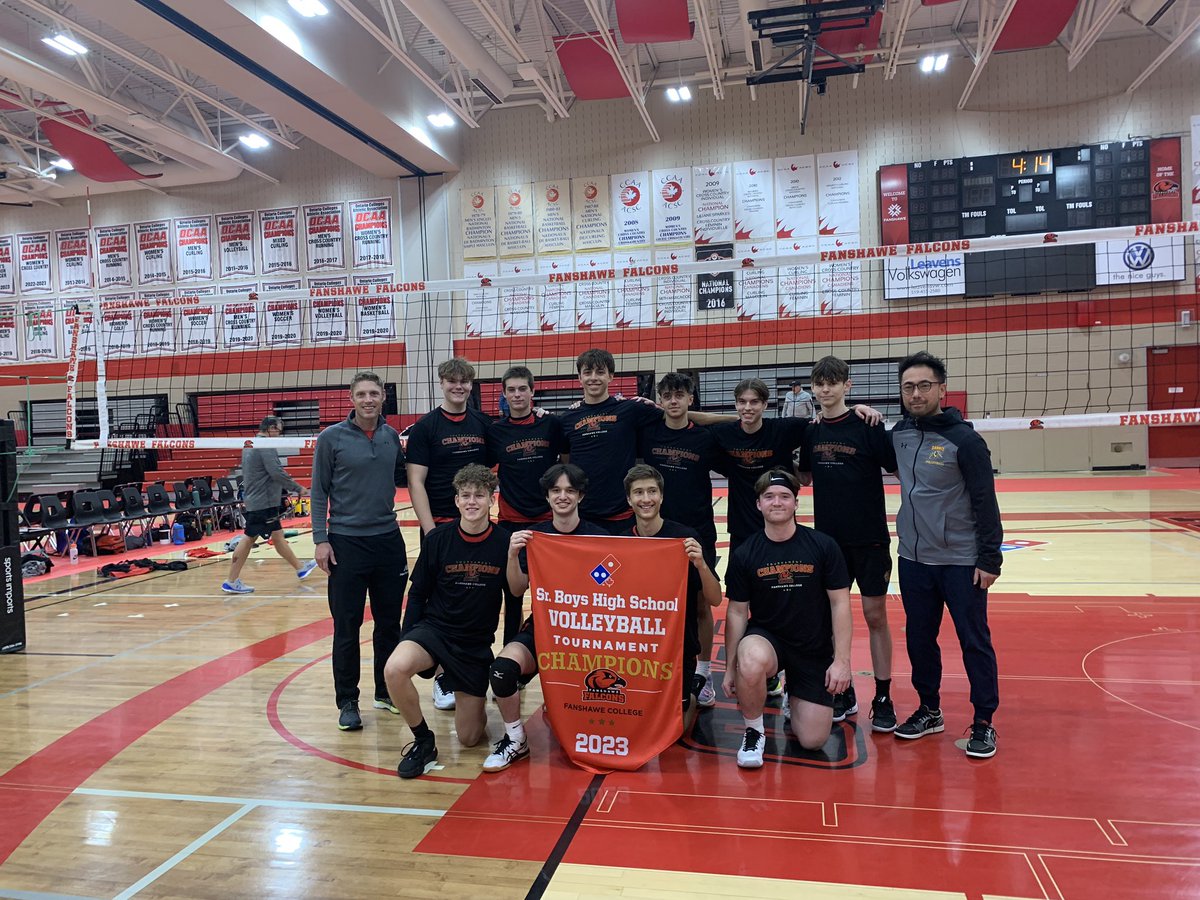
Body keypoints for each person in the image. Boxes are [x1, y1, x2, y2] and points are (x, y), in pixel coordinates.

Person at [891, 351, 1003, 759]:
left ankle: (984, 722)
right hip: (914, 559)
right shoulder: (900, 434)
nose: (915, 393)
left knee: (974, 640)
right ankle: (929, 710)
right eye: (908, 387)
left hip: (960, 560)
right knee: (919, 638)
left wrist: (990, 559)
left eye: (923, 386)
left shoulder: (966, 441)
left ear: (941, 388)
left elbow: (986, 503)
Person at [384, 465, 511, 779]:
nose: (472, 501)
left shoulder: (504, 542)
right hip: (435, 630)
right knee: (395, 668)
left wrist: (507, 656)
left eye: (479, 495)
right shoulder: (438, 539)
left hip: (474, 644)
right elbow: (417, 594)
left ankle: (460, 684)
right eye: (465, 495)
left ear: (491, 499)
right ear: (456, 501)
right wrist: (407, 637)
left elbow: (516, 600)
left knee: (469, 739)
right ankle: (423, 740)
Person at [481, 463, 608, 773]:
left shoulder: (601, 539)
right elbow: (515, 587)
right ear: (548, 497)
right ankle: (515, 739)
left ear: (580, 496)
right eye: (555, 491)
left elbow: (612, 591)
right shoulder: (535, 538)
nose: (562, 496)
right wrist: (512, 555)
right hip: (544, 630)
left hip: (588, 635)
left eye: (569, 491)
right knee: (501, 671)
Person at [723, 469, 852, 768]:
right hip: (769, 639)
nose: (776, 502)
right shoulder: (745, 553)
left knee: (812, 741)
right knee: (751, 658)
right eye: (769, 497)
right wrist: (731, 667)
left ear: (796, 502)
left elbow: (840, 604)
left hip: (812, 647)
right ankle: (754, 731)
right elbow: (737, 611)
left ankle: (794, 693)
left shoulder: (823, 546)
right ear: (758, 504)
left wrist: (842, 660)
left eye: (784, 496)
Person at [797, 356, 899, 731]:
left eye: (833, 383)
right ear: (813, 388)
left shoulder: (868, 425)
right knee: (831, 617)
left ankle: (884, 694)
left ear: (847, 386)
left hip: (869, 538)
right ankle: (843, 688)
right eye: (819, 384)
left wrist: (877, 418)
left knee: (874, 616)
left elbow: (896, 467)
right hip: (829, 542)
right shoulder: (811, 432)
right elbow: (805, 477)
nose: (825, 390)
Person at [311, 372, 408, 731]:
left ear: (383, 397)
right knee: (347, 626)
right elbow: (318, 491)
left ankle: (385, 692)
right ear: (351, 399)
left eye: (374, 394)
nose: (368, 399)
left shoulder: (390, 437)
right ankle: (347, 701)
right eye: (361, 394)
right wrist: (320, 538)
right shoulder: (330, 438)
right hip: (345, 544)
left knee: (388, 625)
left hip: (387, 541)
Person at [405, 355, 491, 712]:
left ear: (471, 385)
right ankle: (442, 675)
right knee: (439, 603)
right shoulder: (426, 427)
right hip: (441, 525)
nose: (459, 386)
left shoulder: (483, 423)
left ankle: (468, 666)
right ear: (441, 383)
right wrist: (429, 532)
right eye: (452, 380)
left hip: (474, 524)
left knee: (472, 598)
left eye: (465, 381)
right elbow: (415, 481)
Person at [638, 372, 722, 706]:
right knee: (654, 603)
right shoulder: (648, 433)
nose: (674, 401)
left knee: (701, 603)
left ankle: (704, 673)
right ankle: (660, 667)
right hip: (657, 532)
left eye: (680, 395)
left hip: (698, 530)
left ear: (690, 399)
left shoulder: (705, 438)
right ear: (660, 400)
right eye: (668, 396)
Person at [624, 464, 723, 729]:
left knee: (675, 729)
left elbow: (714, 600)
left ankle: (694, 683)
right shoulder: (621, 542)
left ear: (662, 496)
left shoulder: (684, 537)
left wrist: (701, 564)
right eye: (639, 493)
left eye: (652, 491)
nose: (646, 499)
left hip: (677, 648)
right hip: (637, 650)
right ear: (629, 500)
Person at [486, 365, 568, 644]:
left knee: (552, 594)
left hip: (547, 522)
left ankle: (552, 648)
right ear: (504, 394)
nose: (517, 394)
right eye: (511, 389)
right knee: (512, 596)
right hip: (511, 522)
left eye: (523, 388)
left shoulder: (551, 424)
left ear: (532, 392)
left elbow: (566, 464)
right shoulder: (495, 432)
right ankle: (511, 659)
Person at [558, 348, 663, 534]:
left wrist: (731, 420)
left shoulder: (630, 409)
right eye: (587, 372)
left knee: (621, 564)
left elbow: (676, 417)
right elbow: (566, 460)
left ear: (611, 376)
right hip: (582, 514)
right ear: (579, 378)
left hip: (622, 513)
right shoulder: (567, 418)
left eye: (600, 372)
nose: (593, 378)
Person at [221, 416, 318, 594]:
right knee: (249, 538)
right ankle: (231, 581)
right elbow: (275, 471)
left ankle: (300, 568)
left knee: (278, 535)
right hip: (262, 502)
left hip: (260, 498)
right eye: (279, 431)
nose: (279, 435)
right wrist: (297, 488)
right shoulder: (264, 446)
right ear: (271, 428)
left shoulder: (250, 443)